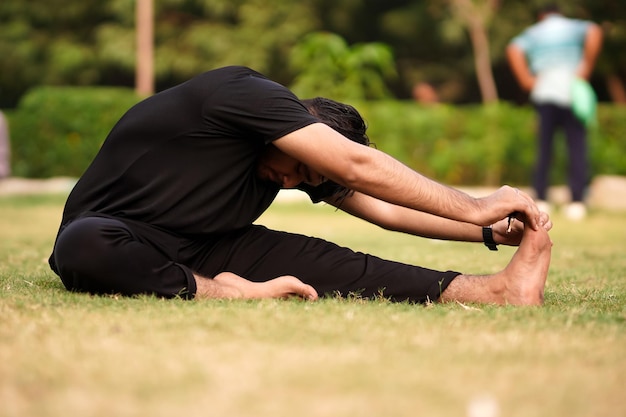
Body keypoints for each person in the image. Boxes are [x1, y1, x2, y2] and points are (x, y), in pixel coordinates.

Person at [49, 66, 553, 306]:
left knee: (335, 262)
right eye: (301, 168)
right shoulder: (241, 94)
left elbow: (388, 211)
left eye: (307, 182)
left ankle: (494, 291)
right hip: (117, 232)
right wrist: (474, 205)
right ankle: (222, 293)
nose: (291, 183)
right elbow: (358, 167)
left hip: (206, 244)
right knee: (83, 245)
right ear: (298, 130)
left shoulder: (293, 159)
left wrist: (489, 231)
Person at [506, 4, 603, 220]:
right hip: (572, 94)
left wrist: (525, 80)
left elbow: (513, 48)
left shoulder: (535, 32)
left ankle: (541, 198)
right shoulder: (573, 27)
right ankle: (577, 201)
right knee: (577, 148)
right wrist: (586, 67)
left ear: (541, 15)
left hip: (545, 94)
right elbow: (595, 31)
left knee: (544, 148)